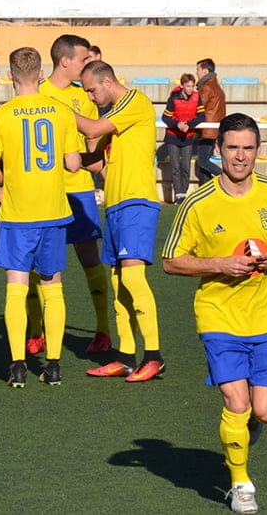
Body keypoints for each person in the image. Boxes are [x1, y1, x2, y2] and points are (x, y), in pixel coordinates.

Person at [162, 113, 267, 514]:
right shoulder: (197, 203)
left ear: (258, 151)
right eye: (233, 148)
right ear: (218, 151)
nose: (240, 157)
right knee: (236, 404)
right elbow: (171, 261)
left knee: (265, 411)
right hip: (219, 315)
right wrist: (220, 264)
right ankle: (241, 484)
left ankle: (248, 431)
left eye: (248, 148)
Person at [0, 46, 82, 387]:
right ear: (41, 74)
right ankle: (53, 365)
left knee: (16, 289)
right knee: (53, 289)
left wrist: (7, 180)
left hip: (17, 213)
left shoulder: (0, 116)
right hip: (53, 212)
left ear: (10, 76)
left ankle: (18, 366)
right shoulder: (61, 111)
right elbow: (73, 164)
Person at [76, 60, 165, 382]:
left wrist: (53, 111)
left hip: (136, 202)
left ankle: (153, 355)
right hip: (115, 205)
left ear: (108, 82)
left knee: (132, 279)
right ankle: (126, 357)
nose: (89, 96)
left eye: (91, 90)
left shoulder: (134, 101)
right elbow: (98, 163)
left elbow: (91, 129)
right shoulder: (111, 117)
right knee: (118, 283)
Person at [25, 34, 112, 357]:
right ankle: (37, 331)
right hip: (44, 193)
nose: (86, 64)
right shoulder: (36, 93)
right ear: (65, 60)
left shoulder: (84, 96)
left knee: (90, 259)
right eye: (82, 59)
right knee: (41, 266)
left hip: (79, 190)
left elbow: (93, 144)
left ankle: (102, 329)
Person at [161, 72, 205, 203]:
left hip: (188, 136)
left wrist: (188, 125)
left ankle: (183, 193)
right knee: (175, 167)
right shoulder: (173, 99)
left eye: (192, 86)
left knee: (186, 166)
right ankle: (178, 195)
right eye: (188, 86)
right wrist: (177, 124)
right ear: (182, 86)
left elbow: (202, 116)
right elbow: (165, 117)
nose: (190, 89)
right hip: (173, 136)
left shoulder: (197, 98)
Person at [195, 58, 226, 185]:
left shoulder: (207, 86)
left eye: (198, 69)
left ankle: (225, 177)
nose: (196, 72)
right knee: (204, 163)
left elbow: (198, 106)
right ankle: (206, 187)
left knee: (203, 161)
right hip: (212, 129)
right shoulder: (215, 85)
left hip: (208, 130)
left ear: (205, 71)